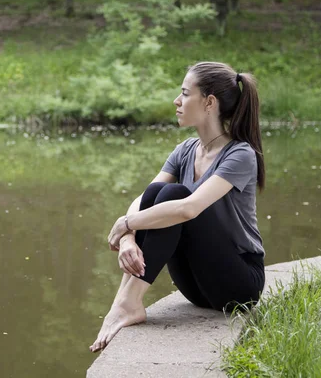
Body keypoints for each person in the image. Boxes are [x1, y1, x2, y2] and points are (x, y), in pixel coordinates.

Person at [90, 61, 266, 353]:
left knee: (175, 195)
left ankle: (127, 303)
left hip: (239, 284)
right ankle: (123, 302)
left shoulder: (240, 154)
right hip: (197, 286)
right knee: (160, 191)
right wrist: (127, 237)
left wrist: (126, 224)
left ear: (209, 102)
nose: (177, 101)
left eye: (185, 93)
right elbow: (144, 197)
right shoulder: (185, 150)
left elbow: (189, 209)